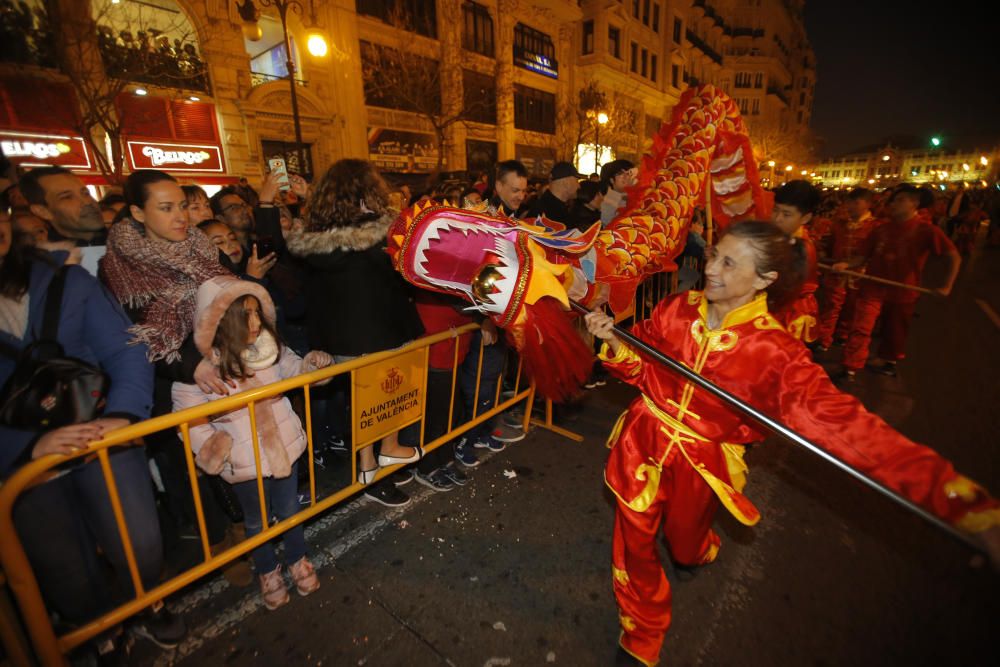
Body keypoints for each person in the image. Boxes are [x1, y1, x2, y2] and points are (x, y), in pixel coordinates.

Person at [583, 220, 1000, 667]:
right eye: (712, 255)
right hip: (640, 445)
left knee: (685, 543)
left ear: (766, 280)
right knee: (634, 546)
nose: (710, 269)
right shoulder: (675, 309)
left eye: (728, 262)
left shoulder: (777, 352)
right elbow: (641, 364)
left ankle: (696, 548)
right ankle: (643, 629)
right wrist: (613, 341)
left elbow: (854, 432)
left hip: (702, 462)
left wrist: (965, 506)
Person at [0, 214, 183, 655]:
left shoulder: (66, 280)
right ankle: (98, 632)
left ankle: (147, 604)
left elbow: (126, 348)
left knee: (140, 541)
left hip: (102, 435)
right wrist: (26, 448)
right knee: (63, 566)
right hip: (23, 463)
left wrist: (122, 415)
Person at [98, 170, 247, 579]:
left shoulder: (203, 247)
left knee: (234, 454)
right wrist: (188, 365)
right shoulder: (117, 267)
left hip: (222, 368)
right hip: (165, 384)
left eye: (182, 205)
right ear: (137, 212)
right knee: (192, 472)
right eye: (166, 208)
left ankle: (246, 532)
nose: (181, 216)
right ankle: (219, 548)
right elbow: (133, 336)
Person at [172, 276, 331, 609]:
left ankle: (297, 559)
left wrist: (310, 365)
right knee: (257, 522)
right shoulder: (204, 369)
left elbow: (291, 367)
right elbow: (186, 416)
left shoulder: (268, 348)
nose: (257, 323)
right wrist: (215, 446)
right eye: (246, 315)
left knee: (289, 511)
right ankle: (267, 571)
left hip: (284, 447)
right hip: (244, 461)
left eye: (257, 313)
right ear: (221, 321)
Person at [286, 158, 425, 507]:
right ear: (366, 192)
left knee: (363, 402)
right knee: (385, 398)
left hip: (341, 337)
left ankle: (367, 467)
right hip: (381, 330)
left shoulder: (315, 239)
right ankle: (385, 455)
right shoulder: (379, 233)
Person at [835, 184, 960, 382]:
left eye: (900, 200)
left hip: (903, 291)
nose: (894, 204)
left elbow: (953, 256)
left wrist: (947, 286)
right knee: (861, 327)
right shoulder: (880, 230)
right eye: (893, 200)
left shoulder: (927, 230)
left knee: (894, 330)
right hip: (873, 288)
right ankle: (850, 367)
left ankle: (888, 361)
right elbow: (862, 257)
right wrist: (846, 264)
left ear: (915, 204)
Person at [814, 187, 880, 351]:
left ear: (868, 204)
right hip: (837, 272)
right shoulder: (839, 224)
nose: (851, 206)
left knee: (852, 308)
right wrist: (821, 251)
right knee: (830, 306)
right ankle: (824, 339)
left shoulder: (876, 227)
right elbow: (827, 244)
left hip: (860, 276)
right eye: (849, 202)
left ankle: (843, 335)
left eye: (856, 202)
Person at [20, 166, 106, 275]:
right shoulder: (38, 269)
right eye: (67, 197)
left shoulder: (125, 244)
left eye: (86, 193)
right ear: (42, 211)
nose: (87, 202)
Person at [769, 179, 821, 342]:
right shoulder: (776, 237)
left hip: (788, 315)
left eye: (786, 214)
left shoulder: (804, 249)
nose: (777, 218)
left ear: (805, 218)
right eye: (775, 210)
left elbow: (785, 291)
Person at [599, 159, 637, 224]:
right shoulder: (607, 204)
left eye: (629, 173)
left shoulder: (636, 197)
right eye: (620, 173)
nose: (625, 176)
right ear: (611, 180)